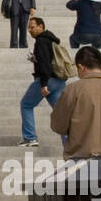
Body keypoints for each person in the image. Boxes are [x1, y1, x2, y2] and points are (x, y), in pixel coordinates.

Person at [18, 17, 66, 147]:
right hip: (58, 80)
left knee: (26, 105)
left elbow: (45, 63)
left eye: (32, 27)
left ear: (41, 27)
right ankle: (69, 143)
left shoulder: (41, 41)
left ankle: (30, 137)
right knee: (60, 112)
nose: (30, 30)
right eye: (29, 28)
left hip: (47, 80)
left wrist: (44, 84)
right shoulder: (51, 40)